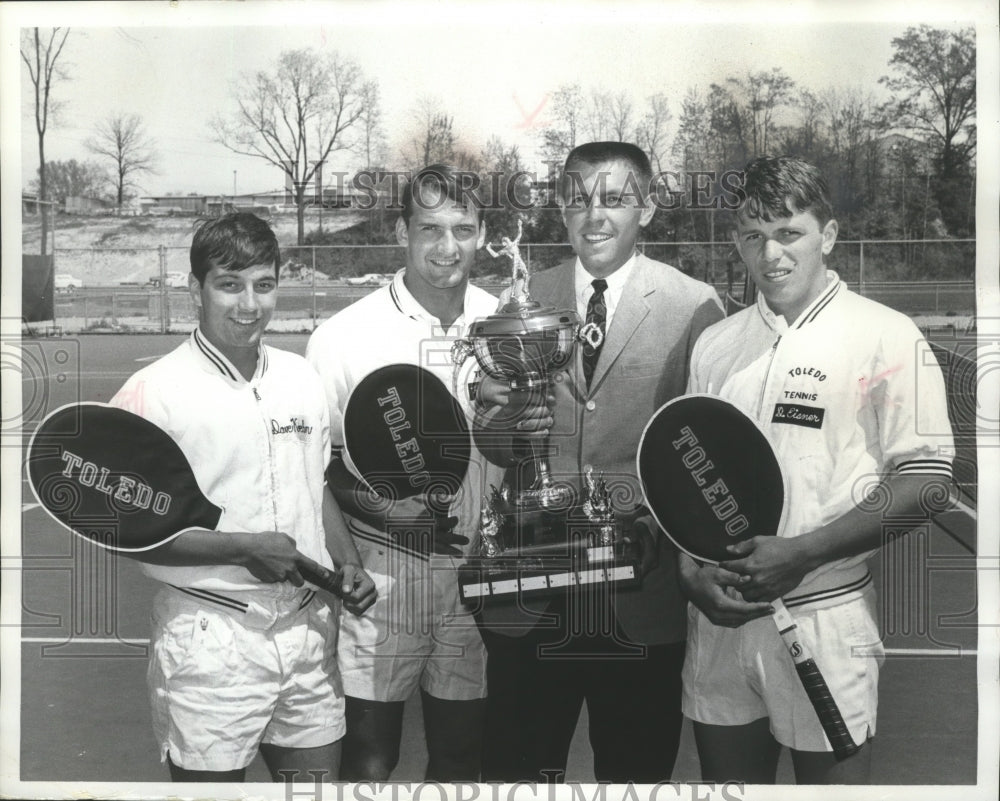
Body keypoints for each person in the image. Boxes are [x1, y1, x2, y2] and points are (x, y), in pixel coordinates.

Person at [679, 156, 955, 784]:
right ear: (736, 244)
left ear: (827, 236)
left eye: (788, 233)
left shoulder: (885, 334)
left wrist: (801, 552)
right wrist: (689, 572)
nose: (770, 253)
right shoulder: (717, 345)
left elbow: (929, 481)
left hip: (825, 614)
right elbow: (687, 479)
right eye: (753, 236)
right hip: (723, 621)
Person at [474, 141, 725, 783]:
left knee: (634, 775)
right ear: (561, 207)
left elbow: (699, 456)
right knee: (519, 774)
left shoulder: (694, 305)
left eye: (614, 199)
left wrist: (651, 530)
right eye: (579, 198)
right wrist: (501, 422)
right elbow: (499, 448)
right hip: (532, 589)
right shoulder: (524, 299)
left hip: (638, 590)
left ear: (645, 207)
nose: (595, 215)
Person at [109, 212, 376, 783]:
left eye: (263, 284)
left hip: (307, 628)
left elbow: (317, 481)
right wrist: (241, 548)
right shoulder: (152, 393)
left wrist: (348, 562)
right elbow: (127, 534)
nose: (249, 305)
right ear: (195, 290)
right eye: (229, 285)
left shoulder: (301, 376)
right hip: (212, 637)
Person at [305, 165, 502, 781]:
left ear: (483, 232)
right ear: (401, 231)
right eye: (431, 229)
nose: (448, 247)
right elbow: (315, 469)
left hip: (476, 582)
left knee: (462, 759)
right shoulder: (342, 337)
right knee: (368, 758)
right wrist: (387, 511)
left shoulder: (506, 325)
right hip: (384, 580)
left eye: (463, 229)